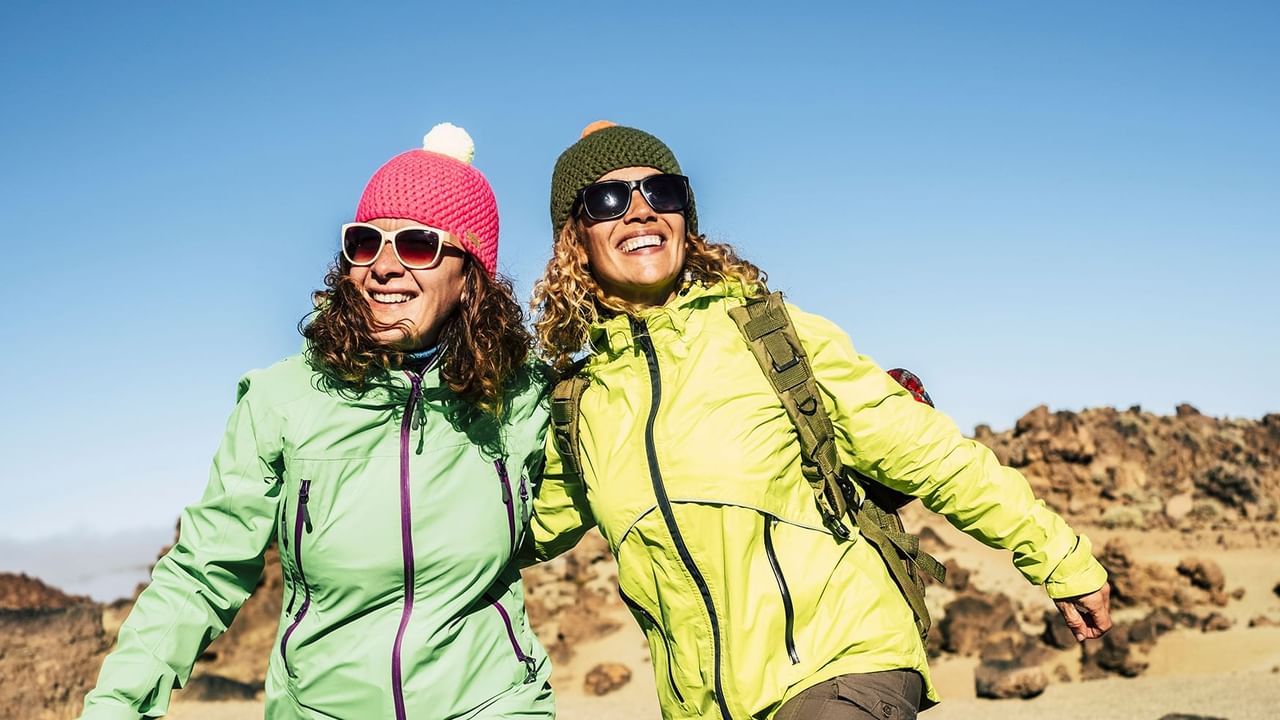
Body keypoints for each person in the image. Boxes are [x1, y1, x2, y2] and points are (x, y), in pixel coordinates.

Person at [526, 121, 1112, 720]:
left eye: (662, 192)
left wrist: (1057, 555)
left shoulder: (772, 338)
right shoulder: (581, 404)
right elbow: (508, 534)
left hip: (845, 662)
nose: (641, 212)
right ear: (575, 236)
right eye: (608, 199)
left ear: (687, 218)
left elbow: (926, 451)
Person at [80, 124, 553, 719]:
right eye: (364, 243)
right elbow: (203, 570)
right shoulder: (281, 400)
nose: (383, 266)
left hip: (491, 704)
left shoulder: (525, 397)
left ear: (469, 275)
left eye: (416, 245)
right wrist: (117, 705)